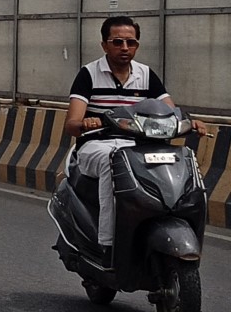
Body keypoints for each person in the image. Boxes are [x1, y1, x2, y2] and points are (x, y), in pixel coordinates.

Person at [63, 16, 207, 266]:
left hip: (138, 146)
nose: (125, 48)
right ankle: (107, 243)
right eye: (117, 42)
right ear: (104, 45)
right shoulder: (89, 74)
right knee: (114, 162)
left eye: (131, 42)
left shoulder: (146, 75)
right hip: (98, 146)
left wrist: (190, 122)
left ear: (137, 45)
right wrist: (87, 122)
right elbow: (72, 124)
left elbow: (170, 111)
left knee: (180, 160)